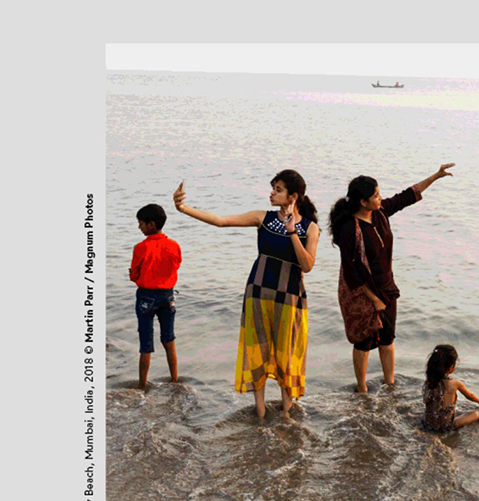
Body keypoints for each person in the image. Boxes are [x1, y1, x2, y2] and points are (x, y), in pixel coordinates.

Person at [173, 171, 320, 420]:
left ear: (293, 196)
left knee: (287, 353)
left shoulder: (310, 228)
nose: (272, 193)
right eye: (273, 187)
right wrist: (184, 208)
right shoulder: (262, 218)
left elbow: (307, 265)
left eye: (278, 189)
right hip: (257, 293)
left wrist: (292, 231)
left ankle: (286, 414)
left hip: (290, 298)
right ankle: (260, 414)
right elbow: (221, 221)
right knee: (257, 352)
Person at [328, 164, 455, 393]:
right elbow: (351, 270)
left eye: (379, 193)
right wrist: (372, 298)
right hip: (364, 292)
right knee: (364, 342)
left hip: (387, 287)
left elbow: (407, 196)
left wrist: (435, 176)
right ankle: (362, 389)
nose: (380, 198)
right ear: (363, 202)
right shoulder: (350, 228)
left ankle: (390, 385)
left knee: (387, 339)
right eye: (375, 195)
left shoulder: (380, 213)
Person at [130, 203, 182, 389]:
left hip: (146, 296)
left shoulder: (141, 248)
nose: (139, 227)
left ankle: (142, 386)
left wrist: (135, 275)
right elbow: (175, 266)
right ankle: (175, 380)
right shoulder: (174, 245)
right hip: (168, 295)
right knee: (169, 340)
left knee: (146, 343)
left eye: (141, 223)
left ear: (151, 224)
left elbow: (134, 275)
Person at [422, 344, 479, 432]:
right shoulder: (454, 383)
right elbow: (470, 395)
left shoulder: (429, 381)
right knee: (475, 414)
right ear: (451, 367)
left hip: (428, 424)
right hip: (446, 427)